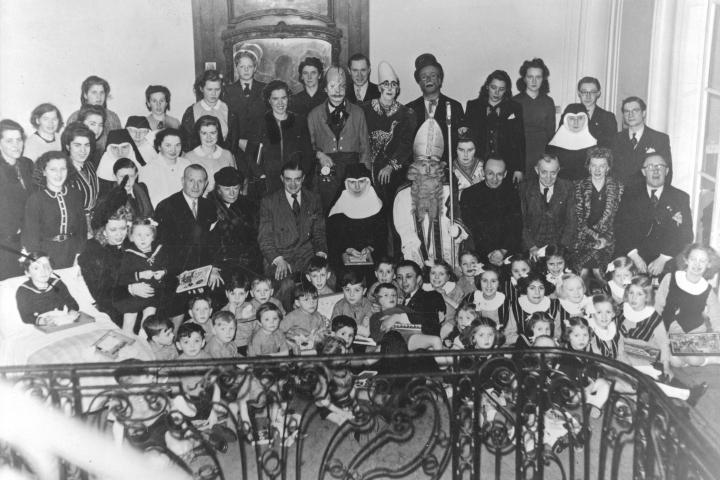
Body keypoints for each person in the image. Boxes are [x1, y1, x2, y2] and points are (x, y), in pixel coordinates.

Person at [394, 118, 469, 269]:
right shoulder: (403, 194)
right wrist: (420, 259)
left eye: (432, 165)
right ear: (414, 167)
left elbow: (461, 216)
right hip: (416, 255)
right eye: (423, 165)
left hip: (448, 254)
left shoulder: (450, 189)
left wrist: (458, 230)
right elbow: (403, 228)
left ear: (439, 167)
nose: (428, 170)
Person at [154, 164, 222, 322]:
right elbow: (164, 250)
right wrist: (190, 278)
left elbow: (214, 244)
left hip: (204, 270)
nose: (196, 186)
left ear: (206, 184)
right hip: (177, 273)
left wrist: (214, 269)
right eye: (191, 180)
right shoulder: (166, 206)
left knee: (219, 290)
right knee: (176, 302)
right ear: (182, 181)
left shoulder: (209, 206)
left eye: (200, 181)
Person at [362, 61, 417, 253]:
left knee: (393, 217)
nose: (390, 88)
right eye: (385, 84)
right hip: (367, 171)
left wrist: (390, 166)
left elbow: (406, 144)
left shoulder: (406, 114)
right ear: (379, 87)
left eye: (394, 85)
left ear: (398, 88)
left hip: (392, 174)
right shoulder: (365, 109)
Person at [257, 159, 327, 310]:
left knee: (329, 276)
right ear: (282, 178)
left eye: (297, 179)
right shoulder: (269, 201)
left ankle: (323, 316)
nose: (293, 184)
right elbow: (265, 239)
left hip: (307, 257)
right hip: (281, 258)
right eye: (288, 179)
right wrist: (277, 260)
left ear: (303, 179)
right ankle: (285, 321)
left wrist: (320, 254)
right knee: (287, 284)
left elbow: (319, 232)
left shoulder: (313, 198)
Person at [614, 152, 692, 276]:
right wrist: (635, 256)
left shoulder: (680, 198)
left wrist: (663, 259)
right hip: (634, 256)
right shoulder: (629, 195)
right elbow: (620, 228)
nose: (655, 171)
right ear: (643, 172)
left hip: (667, 260)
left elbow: (686, 235)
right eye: (650, 167)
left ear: (666, 171)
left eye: (660, 166)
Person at [78, 185, 144, 326]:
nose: (120, 234)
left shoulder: (129, 244)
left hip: (136, 300)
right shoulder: (93, 251)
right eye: (113, 230)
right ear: (103, 230)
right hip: (111, 308)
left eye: (123, 228)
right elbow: (101, 294)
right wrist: (130, 289)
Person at [307, 65, 370, 211]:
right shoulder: (314, 115)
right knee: (327, 211)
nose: (338, 90)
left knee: (351, 212)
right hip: (326, 173)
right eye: (333, 85)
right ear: (325, 89)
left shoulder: (358, 112)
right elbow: (308, 145)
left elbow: (365, 148)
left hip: (352, 172)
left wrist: (364, 178)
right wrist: (319, 154)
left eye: (342, 86)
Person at [244, 80, 314, 197]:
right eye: (275, 99)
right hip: (268, 183)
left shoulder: (299, 121)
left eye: (284, 98)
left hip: (294, 181)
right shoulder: (260, 123)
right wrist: (261, 175)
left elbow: (307, 153)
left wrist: (300, 176)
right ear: (269, 100)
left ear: (288, 98)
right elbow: (250, 154)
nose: (280, 103)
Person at [655, 244, 720, 367]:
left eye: (702, 261)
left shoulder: (707, 289)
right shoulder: (670, 278)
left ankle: (710, 359)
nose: (697, 264)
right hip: (670, 331)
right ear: (686, 260)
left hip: (695, 333)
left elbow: (717, 317)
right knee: (674, 361)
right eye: (693, 259)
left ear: (709, 264)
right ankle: (688, 358)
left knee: (691, 358)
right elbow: (658, 307)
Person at [23, 151, 86, 269]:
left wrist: (79, 255)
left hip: (72, 252)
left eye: (63, 169)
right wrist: (40, 262)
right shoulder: (36, 199)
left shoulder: (75, 195)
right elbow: (31, 235)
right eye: (53, 169)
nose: (59, 174)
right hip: (46, 255)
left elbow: (81, 229)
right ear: (44, 171)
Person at [570, 147, 623, 282]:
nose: (597, 170)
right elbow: (576, 220)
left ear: (608, 167)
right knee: (583, 273)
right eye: (594, 165)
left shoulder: (619, 188)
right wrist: (594, 238)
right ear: (588, 167)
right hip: (582, 240)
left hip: (609, 241)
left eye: (602, 166)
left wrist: (605, 240)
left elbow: (619, 221)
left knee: (600, 274)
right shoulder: (577, 186)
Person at [464, 70, 524, 182]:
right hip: (479, 165)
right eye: (493, 87)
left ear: (506, 90)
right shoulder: (473, 106)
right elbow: (468, 138)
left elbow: (520, 140)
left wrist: (519, 169)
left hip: (506, 166)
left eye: (501, 89)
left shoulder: (515, 108)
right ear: (487, 87)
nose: (496, 93)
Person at [405, 53, 464, 164]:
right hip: (418, 171)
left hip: (445, 169)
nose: (428, 79)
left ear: (440, 80)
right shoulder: (409, 109)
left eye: (433, 75)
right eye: (423, 77)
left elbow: (459, 143)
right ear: (419, 83)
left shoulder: (455, 106)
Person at [326, 163, 386, 273]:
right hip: (345, 260)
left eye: (361, 182)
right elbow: (332, 239)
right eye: (352, 182)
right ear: (346, 183)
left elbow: (382, 237)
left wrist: (370, 248)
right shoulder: (339, 205)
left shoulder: (376, 204)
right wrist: (348, 249)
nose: (357, 187)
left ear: (368, 182)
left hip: (373, 260)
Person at [460, 157, 522, 261]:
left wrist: (502, 251)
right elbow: (473, 228)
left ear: (505, 174)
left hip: (507, 254)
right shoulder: (469, 194)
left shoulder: (513, 194)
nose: (494, 179)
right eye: (490, 173)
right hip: (479, 254)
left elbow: (516, 227)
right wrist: (489, 253)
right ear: (483, 172)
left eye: (499, 174)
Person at [114, 218, 167, 334]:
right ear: (131, 237)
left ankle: (144, 340)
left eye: (147, 235)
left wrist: (163, 273)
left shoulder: (159, 251)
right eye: (138, 235)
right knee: (128, 323)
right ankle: (126, 341)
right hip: (133, 296)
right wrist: (139, 275)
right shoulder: (128, 255)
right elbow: (121, 278)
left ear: (153, 237)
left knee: (148, 322)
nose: (143, 239)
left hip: (152, 294)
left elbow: (165, 266)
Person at [208, 167, 262, 275]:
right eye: (227, 189)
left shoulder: (249, 205)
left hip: (248, 262)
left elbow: (256, 236)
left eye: (236, 188)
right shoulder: (209, 206)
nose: (232, 193)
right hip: (220, 265)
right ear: (218, 189)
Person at [520, 154, 576, 256]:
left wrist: (560, 249)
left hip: (559, 247)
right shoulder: (525, 189)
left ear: (558, 170)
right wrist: (531, 247)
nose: (548, 178)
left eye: (553, 173)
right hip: (532, 247)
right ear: (537, 170)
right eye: (544, 172)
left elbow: (571, 223)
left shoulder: (568, 188)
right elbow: (520, 223)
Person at [611, 96, 672, 191]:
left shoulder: (659, 139)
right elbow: (611, 171)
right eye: (627, 111)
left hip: (646, 198)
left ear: (643, 113)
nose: (630, 115)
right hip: (621, 197)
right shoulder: (615, 139)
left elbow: (667, 173)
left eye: (635, 111)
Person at [0, 119, 34, 280]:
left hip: (26, 240)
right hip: (5, 245)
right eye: (9, 141)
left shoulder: (26, 165)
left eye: (19, 139)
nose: (16, 145)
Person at [181, 69, 239, 159]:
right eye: (209, 89)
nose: (213, 93)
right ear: (201, 88)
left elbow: (233, 144)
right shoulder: (191, 112)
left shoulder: (229, 111)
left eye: (217, 89)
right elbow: (187, 145)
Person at [225, 49, 267, 170]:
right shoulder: (228, 91)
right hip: (236, 145)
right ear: (236, 68)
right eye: (242, 66)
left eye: (250, 66)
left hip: (259, 145)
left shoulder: (265, 89)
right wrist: (237, 140)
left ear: (255, 68)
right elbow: (226, 120)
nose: (246, 70)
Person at [513, 58, 556, 175]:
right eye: (530, 76)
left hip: (542, 152)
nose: (534, 81)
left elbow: (551, 134)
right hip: (521, 153)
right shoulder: (515, 101)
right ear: (524, 78)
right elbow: (511, 136)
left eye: (538, 77)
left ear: (543, 79)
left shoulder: (548, 102)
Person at [395, 260, 445, 350]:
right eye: (399, 277)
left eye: (409, 276)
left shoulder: (432, 295)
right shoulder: (395, 301)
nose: (404, 281)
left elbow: (430, 326)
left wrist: (400, 318)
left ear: (418, 279)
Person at [66, 76, 123, 154]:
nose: (99, 97)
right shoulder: (74, 118)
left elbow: (119, 145)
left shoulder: (113, 118)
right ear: (85, 95)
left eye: (102, 93)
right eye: (94, 92)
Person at [183, 115, 236, 194]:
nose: (209, 137)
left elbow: (234, 183)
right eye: (204, 133)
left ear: (218, 133)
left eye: (213, 133)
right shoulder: (189, 157)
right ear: (198, 134)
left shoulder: (227, 155)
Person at [62, 122, 100, 233]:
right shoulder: (63, 171)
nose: (83, 151)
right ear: (68, 146)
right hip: (73, 227)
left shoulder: (90, 166)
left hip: (92, 223)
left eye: (87, 145)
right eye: (77, 145)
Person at [141, 128, 191, 207]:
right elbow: (148, 201)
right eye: (168, 145)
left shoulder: (187, 164)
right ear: (159, 147)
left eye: (177, 145)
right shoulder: (148, 169)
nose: (173, 150)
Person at [547, 104, 597, 181]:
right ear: (565, 120)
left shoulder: (594, 144)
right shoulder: (554, 145)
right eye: (571, 118)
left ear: (586, 119)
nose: (576, 122)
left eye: (580, 118)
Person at [576, 77, 617, 147]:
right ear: (579, 93)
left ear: (598, 93)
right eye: (584, 92)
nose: (588, 96)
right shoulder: (569, 115)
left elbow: (610, 146)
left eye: (592, 92)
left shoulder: (608, 117)